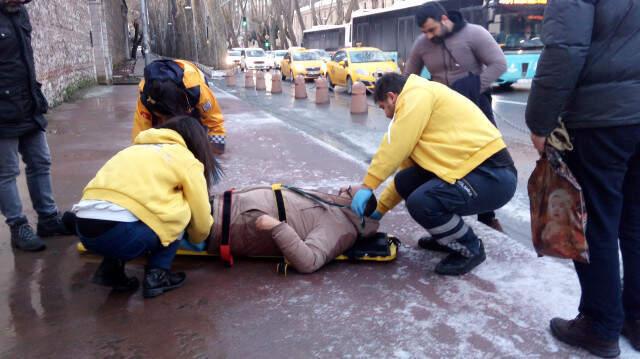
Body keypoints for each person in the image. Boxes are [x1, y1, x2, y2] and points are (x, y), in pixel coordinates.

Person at [525, 1, 640, 357]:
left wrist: (540, 121)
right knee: (636, 222)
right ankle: (636, 318)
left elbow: (565, 49)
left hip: (603, 118)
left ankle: (600, 324)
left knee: (596, 223)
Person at [350, 73, 517, 276]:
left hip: (493, 175)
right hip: (471, 171)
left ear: (392, 96)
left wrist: (368, 186)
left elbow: (394, 145)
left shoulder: (417, 95)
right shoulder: (418, 106)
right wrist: (379, 211)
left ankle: (470, 248)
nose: (386, 114)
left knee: (422, 202)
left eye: (384, 107)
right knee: (406, 181)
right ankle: (447, 237)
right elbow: (404, 171)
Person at [71, 116, 218, 298]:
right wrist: (198, 238)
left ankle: (111, 269)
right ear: (197, 141)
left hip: (84, 229)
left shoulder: (131, 151)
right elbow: (201, 215)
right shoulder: (185, 158)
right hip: (121, 236)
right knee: (179, 209)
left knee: (130, 207)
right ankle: (158, 275)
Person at [403, 2, 508, 232]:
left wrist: (473, 86)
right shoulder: (422, 44)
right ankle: (443, 210)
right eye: (424, 32)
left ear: (443, 19)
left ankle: (487, 215)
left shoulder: (474, 34)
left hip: (476, 104)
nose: (428, 36)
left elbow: (499, 63)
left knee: (482, 155)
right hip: (442, 110)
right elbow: (409, 77)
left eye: (431, 30)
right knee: (441, 155)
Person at [0, 0, 72, 252]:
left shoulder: (20, 13)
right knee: (6, 172)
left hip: (28, 103)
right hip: (2, 110)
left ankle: (48, 219)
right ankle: (18, 226)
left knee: (40, 161)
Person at [186, 185, 379, 274]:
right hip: (222, 206)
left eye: (347, 191)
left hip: (223, 224)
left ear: (356, 206)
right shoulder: (335, 207)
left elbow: (309, 261)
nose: (342, 188)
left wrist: (277, 227)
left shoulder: (339, 228)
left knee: (164, 221)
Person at [132, 59, 226, 154]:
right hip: (167, 101)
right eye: (162, 117)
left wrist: (216, 145)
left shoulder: (197, 90)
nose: (165, 121)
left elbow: (214, 119)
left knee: (196, 133)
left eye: (167, 117)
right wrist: (142, 151)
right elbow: (141, 130)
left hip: (189, 88)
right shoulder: (145, 98)